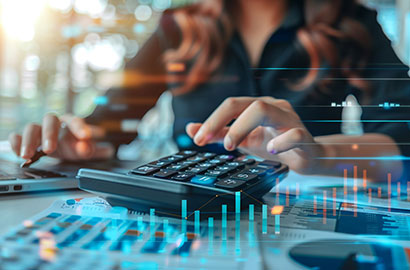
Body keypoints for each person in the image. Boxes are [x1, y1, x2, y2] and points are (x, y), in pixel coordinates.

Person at [8, 0, 410, 181]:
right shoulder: (176, 27)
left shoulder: (350, 22)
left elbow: (403, 134)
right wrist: (82, 139)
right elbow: (109, 121)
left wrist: (320, 156)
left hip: (302, 209)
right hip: (184, 215)